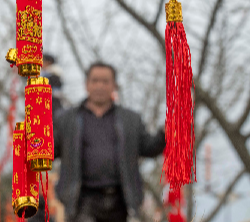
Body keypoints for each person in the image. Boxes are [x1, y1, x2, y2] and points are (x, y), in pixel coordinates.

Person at [51, 61, 166, 222]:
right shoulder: (67, 119)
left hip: (121, 200)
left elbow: (148, 148)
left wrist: (164, 134)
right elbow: (50, 151)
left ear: (114, 86)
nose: (100, 86)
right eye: (95, 81)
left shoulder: (130, 120)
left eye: (105, 81)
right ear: (87, 84)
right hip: (81, 200)